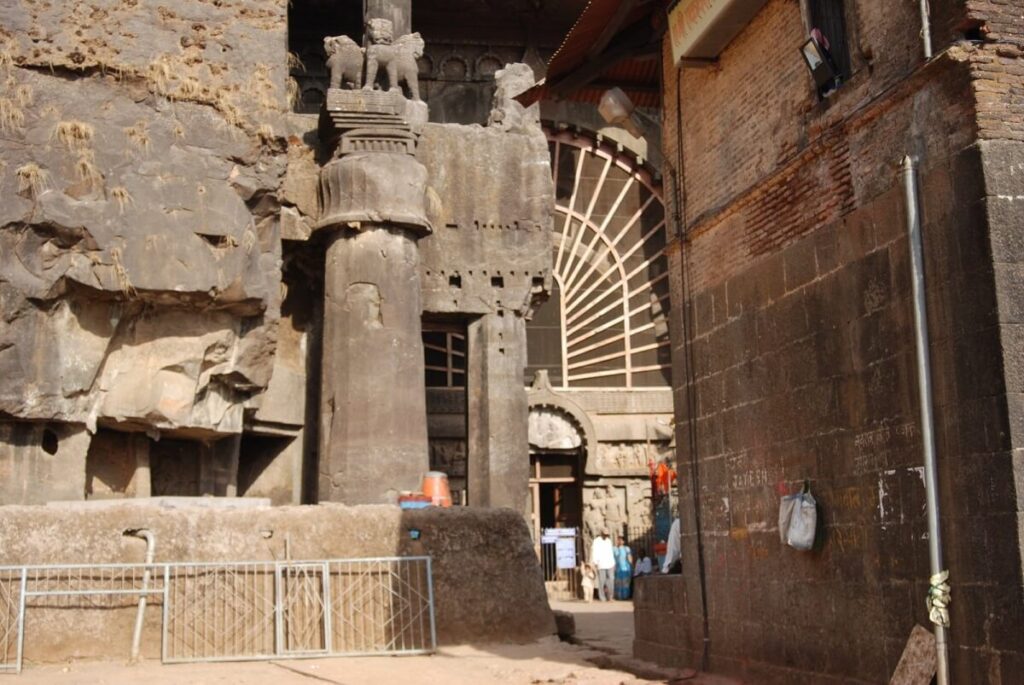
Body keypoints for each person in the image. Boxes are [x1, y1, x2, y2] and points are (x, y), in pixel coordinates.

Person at [589, 529, 615, 601]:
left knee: (611, 580)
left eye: (607, 535)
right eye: (604, 534)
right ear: (601, 533)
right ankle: (602, 597)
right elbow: (594, 552)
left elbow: (611, 552)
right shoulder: (596, 541)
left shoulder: (609, 541)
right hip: (601, 563)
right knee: (602, 581)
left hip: (610, 563)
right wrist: (595, 562)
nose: (606, 536)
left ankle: (610, 596)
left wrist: (613, 563)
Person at [613, 536, 633, 600]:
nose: (619, 541)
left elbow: (629, 558)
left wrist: (631, 565)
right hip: (618, 569)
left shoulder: (627, 548)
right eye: (618, 540)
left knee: (625, 583)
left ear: (623, 541)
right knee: (618, 583)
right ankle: (619, 596)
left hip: (625, 568)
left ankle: (625, 596)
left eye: (621, 540)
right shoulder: (614, 549)